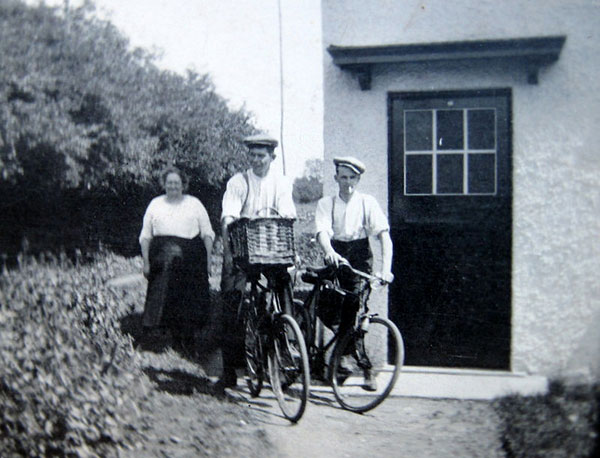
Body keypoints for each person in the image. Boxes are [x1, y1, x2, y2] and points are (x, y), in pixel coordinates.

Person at [217, 133, 296, 390]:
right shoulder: (239, 182)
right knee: (231, 302)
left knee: (283, 289)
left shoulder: (282, 183)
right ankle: (230, 370)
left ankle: (285, 352)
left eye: (261, 155)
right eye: (252, 155)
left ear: (272, 157)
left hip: (271, 250)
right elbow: (228, 217)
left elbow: (287, 214)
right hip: (242, 251)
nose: (256, 160)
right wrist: (229, 255)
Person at [314, 156, 394, 391]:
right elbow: (322, 232)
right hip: (336, 256)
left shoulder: (367, 203)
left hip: (360, 256)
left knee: (353, 310)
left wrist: (386, 269)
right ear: (336, 178)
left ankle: (359, 366)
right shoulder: (326, 203)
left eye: (352, 178)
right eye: (343, 177)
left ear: (358, 179)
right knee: (326, 310)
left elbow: (383, 237)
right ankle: (344, 360)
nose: (347, 182)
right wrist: (329, 251)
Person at [139, 167, 215, 356]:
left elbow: (207, 232)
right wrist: (146, 262)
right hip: (162, 255)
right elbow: (145, 235)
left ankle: (187, 342)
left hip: (191, 256)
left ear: (183, 185)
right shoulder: (155, 204)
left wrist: (208, 259)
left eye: (176, 183)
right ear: (164, 185)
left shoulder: (194, 203)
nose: (173, 186)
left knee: (188, 299)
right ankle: (152, 341)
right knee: (162, 297)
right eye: (169, 183)